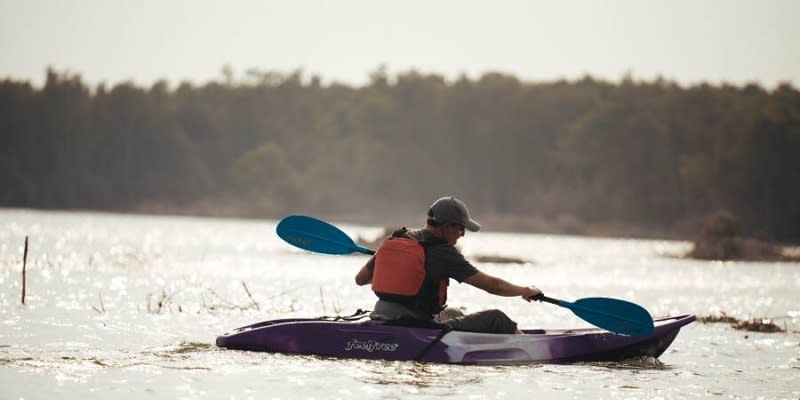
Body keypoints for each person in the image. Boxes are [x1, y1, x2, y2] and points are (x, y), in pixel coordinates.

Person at [355, 196, 542, 334]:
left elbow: (361, 279)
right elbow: (493, 286)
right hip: (416, 326)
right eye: (460, 227)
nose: (463, 234)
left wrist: (394, 266)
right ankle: (530, 349)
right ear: (446, 227)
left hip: (381, 317)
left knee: (454, 312)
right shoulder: (441, 251)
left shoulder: (397, 239)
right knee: (497, 318)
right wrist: (524, 290)